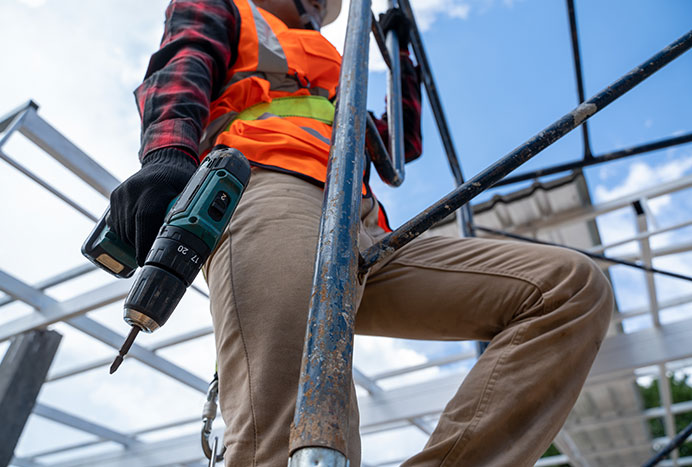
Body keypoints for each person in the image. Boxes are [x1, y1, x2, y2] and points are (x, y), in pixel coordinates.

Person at [109, 0, 614, 465]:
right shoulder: (232, 8)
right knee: (297, 424)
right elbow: (183, 64)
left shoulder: (331, 60)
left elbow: (398, 144)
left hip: (361, 222)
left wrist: (403, 65)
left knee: (566, 289)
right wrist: (168, 157)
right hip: (268, 184)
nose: (316, 4)